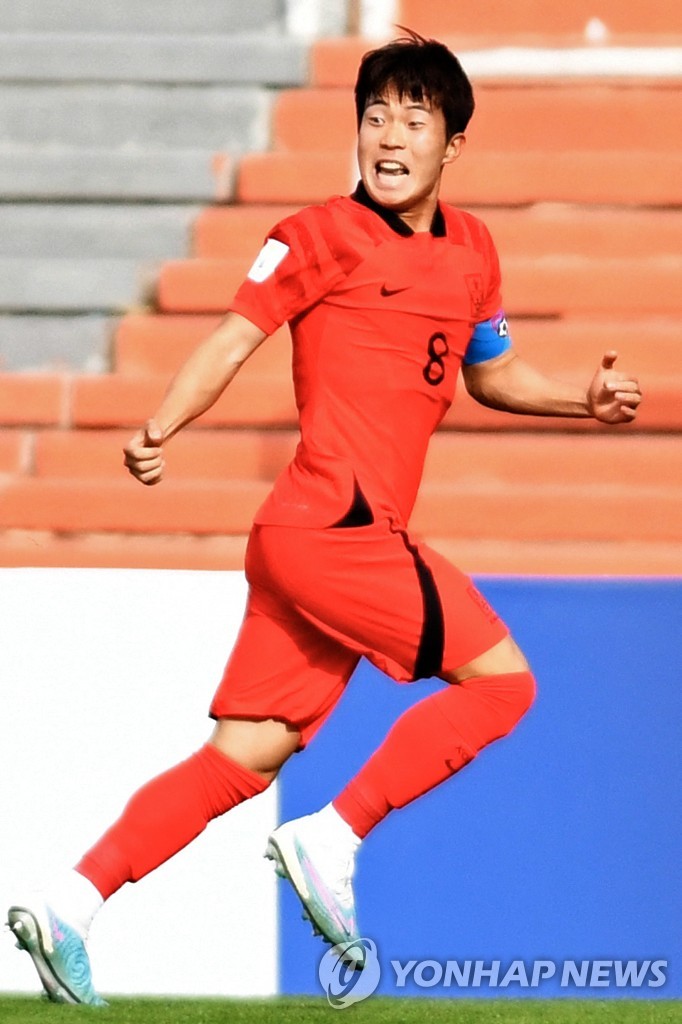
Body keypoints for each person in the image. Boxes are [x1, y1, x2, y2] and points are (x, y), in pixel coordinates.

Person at [8, 32, 641, 1005]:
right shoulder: (314, 236)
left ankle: (69, 904)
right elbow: (234, 338)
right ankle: (333, 837)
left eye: (414, 119)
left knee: (243, 758)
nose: (389, 136)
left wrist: (579, 403)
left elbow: (490, 372)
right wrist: (161, 425)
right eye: (374, 116)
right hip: (334, 528)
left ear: (452, 144)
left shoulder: (473, 251)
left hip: (308, 543)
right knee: (505, 684)